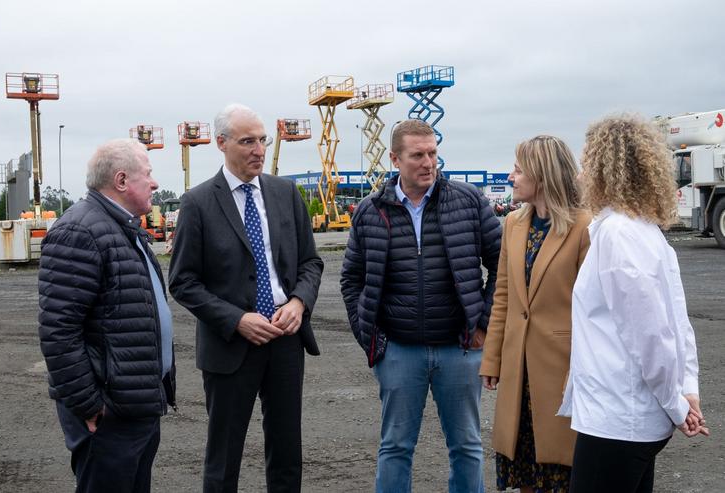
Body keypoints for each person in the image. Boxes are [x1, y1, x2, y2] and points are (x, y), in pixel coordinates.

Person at [340, 119, 502, 492]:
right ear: (395, 159)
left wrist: (483, 324)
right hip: (398, 352)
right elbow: (351, 279)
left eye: (433, 153)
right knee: (395, 447)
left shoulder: (468, 200)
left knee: (467, 445)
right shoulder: (370, 211)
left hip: (460, 349)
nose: (429, 163)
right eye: (418, 155)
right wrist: (371, 339)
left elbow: (501, 264)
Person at [168, 103, 323, 493]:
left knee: (287, 451)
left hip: (286, 339)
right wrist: (236, 319)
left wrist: (298, 303)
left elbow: (311, 262)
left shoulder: (285, 193)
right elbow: (183, 281)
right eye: (247, 141)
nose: (258, 150)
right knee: (224, 456)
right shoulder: (197, 203)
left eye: (262, 140)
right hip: (231, 344)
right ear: (221, 143)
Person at [558, 115, 709, 493]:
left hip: (618, 419)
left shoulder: (617, 234)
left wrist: (679, 404)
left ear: (603, 168)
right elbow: (675, 321)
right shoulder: (643, 231)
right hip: (630, 417)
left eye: (585, 161)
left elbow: (651, 335)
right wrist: (686, 391)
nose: (579, 173)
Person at [38, 138, 175, 492]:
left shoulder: (125, 229)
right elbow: (58, 330)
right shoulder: (79, 231)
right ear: (121, 180)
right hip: (108, 414)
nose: (155, 182)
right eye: (148, 174)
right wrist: (88, 404)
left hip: (134, 404)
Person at [479, 136, 591, 492]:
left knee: (559, 469)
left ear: (541, 175)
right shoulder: (512, 224)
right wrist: (492, 359)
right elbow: (504, 296)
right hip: (518, 371)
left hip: (563, 371)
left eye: (518, 169)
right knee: (524, 470)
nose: (512, 177)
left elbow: (595, 310)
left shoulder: (585, 227)